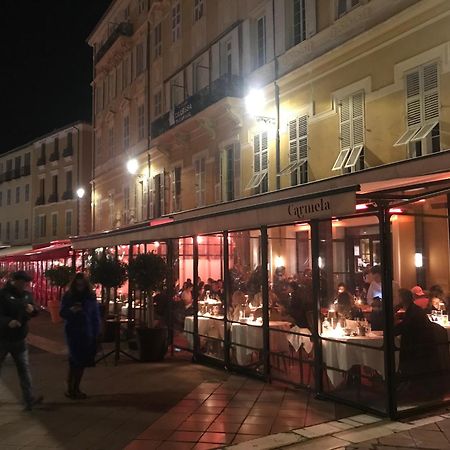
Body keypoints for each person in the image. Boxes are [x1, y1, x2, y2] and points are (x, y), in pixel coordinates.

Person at [0, 271, 42, 410]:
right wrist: (7, 322)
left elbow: (34, 310)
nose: (24, 285)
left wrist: (33, 310)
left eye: (26, 282)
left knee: (24, 370)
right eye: (22, 282)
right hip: (3, 338)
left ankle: (29, 399)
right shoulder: (3, 295)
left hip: (20, 338)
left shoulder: (26, 295)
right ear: (15, 281)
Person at [60, 273, 100, 399]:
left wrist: (97, 332)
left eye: (82, 284)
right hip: (73, 331)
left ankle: (75, 387)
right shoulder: (69, 296)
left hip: (87, 332)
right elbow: (62, 313)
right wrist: (72, 311)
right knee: (75, 360)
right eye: (78, 284)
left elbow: (95, 316)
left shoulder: (90, 297)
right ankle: (71, 388)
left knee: (81, 361)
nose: (80, 287)